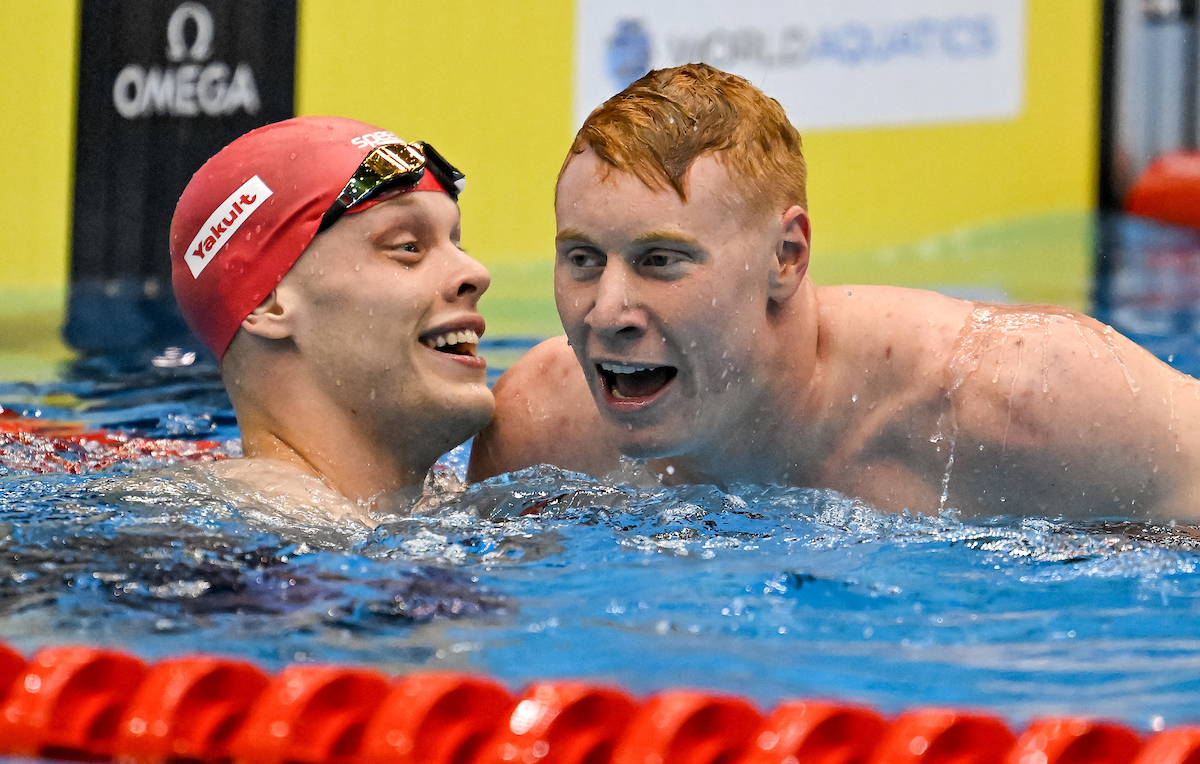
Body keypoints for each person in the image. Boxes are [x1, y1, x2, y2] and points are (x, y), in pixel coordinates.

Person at [468, 63, 1200, 520]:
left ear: (785, 257)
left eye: (661, 261)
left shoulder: (1021, 397)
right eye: (584, 259)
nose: (605, 313)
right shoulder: (544, 428)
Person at [170, 116, 493, 521]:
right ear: (266, 303)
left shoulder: (451, 504)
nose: (476, 274)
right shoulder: (218, 527)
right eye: (408, 247)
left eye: (457, 243)